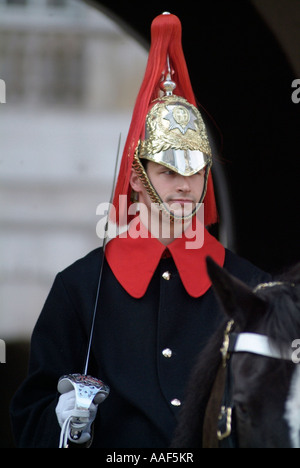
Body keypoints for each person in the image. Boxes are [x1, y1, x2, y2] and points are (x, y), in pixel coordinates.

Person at [10, 13, 271, 448]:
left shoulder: (252, 287)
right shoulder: (78, 288)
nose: (184, 184)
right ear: (136, 177)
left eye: (194, 169)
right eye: (168, 170)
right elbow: (28, 418)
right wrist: (62, 425)